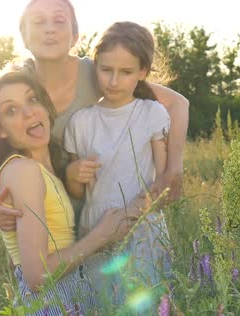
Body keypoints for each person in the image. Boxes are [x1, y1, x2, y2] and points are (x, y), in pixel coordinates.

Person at [0, 0, 189, 230]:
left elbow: (177, 104)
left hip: (98, 218)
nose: (49, 30)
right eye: (38, 22)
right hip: (44, 226)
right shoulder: (13, 87)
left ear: (75, 36)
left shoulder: (100, 72)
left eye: (58, 21)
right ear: (24, 37)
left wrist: (174, 168)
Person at [0, 67, 144, 315]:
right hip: (50, 302)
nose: (28, 112)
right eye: (11, 110)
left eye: (32, 99)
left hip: (72, 295)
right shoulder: (22, 171)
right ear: (0, 129)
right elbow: (36, 276)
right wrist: (101, 235)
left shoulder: (44, 169)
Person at [64, 21, 171, 311]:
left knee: (143, 305)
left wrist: (128, 215)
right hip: (96, 229)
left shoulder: (152, 113)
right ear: (95, 65)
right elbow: (76, 190)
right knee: (101, 306)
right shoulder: (81, 121)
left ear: (142, 72)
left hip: (142, 227)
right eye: (106, 70)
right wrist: (75, 174)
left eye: (125, 73)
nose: (113, 81)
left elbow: (163, 182)